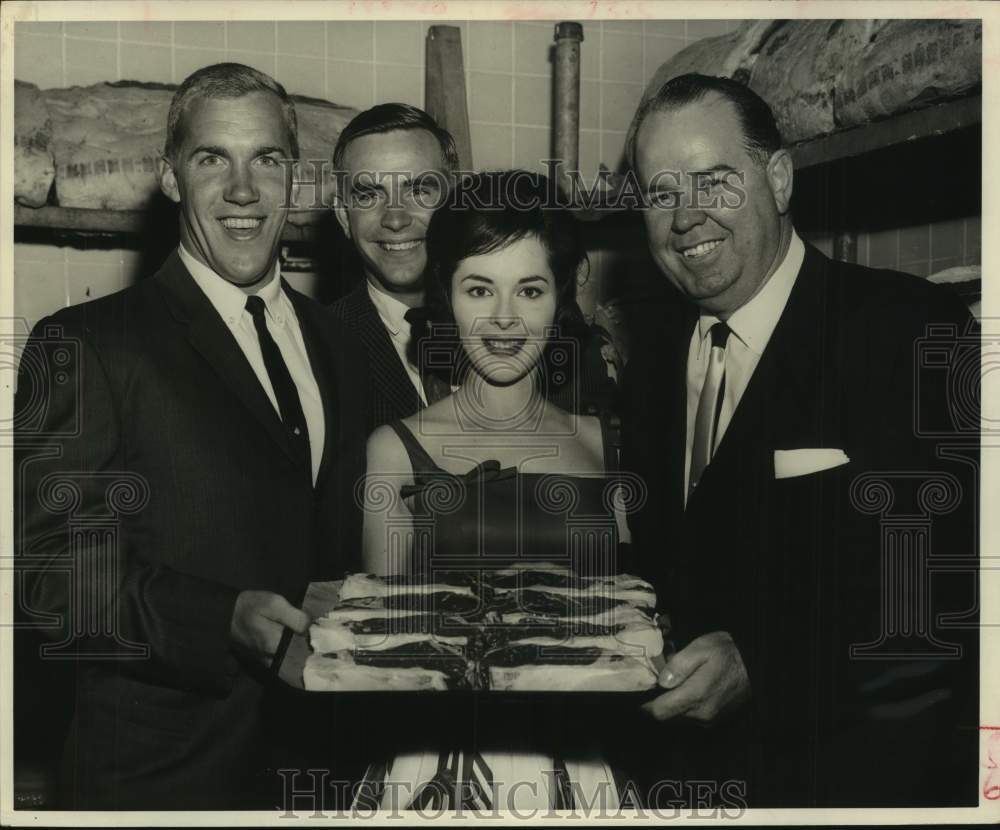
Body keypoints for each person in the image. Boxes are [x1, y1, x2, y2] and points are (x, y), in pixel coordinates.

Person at [14, 63, 367, 810]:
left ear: (295, 180)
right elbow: (48, 581)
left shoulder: (339, 343)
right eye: (213, 159)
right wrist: (220, 620)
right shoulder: (87, 343)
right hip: (157, 782)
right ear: (169, 177)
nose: (243, 190)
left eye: (266, 159)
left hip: (320, 776)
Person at [620, 73, 979, 807]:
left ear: (779, 178)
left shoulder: (910, 329)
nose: (686, 217)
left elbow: (944, 587)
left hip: (859, 780)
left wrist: (764, 664)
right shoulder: (653, 356)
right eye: (661, 193)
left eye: (713, 181)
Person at [357, 171, 638, 811]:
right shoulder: (393, 450)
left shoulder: (606, 443)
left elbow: (630, 625)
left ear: (561, 296)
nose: (505, 319)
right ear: (446, 296)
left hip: (583, 765)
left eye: (530, 290)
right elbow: (379, 656)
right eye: (479, 289)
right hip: (437, 768)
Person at [329, 103, 459, 431]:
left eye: (418, 190)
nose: (396, 219)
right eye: (369, 196)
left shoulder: (529, 325)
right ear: (344, 217)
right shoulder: (315, 346)